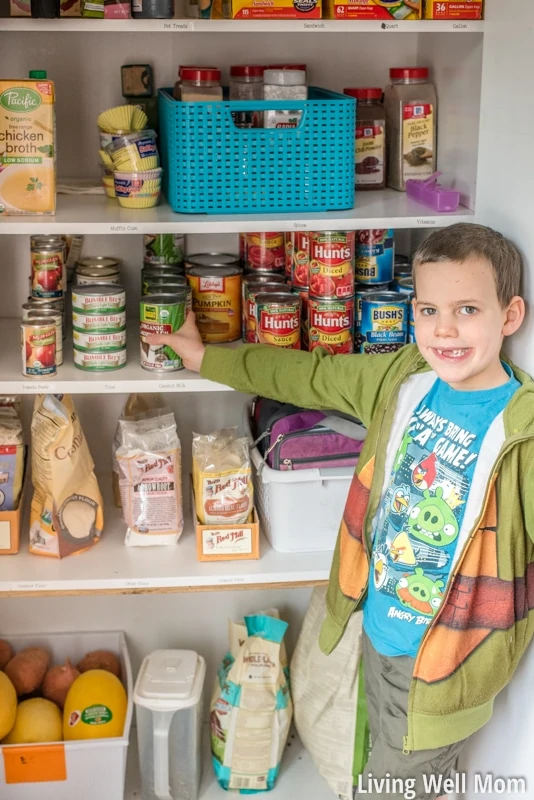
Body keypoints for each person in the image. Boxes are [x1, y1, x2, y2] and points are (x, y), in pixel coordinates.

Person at [145, 223, 534, 800]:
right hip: (378, 634)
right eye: (428, 309)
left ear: (510, 315)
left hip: (447, 666)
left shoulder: (521, 430)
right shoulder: (403, 379)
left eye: (467, 309)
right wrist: (205, 357)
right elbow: (307, 376)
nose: (444, 329)